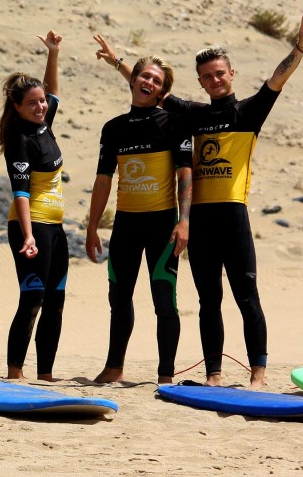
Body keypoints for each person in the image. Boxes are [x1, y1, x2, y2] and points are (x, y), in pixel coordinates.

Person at [96, 12, 303, 386]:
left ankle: (258, 373)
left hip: (233, 217)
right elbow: (151, 91)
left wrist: (299, 47)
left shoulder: (247, 112)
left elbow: (277, 80)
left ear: (231, 74)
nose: (214, 80)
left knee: (247, 296)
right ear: (200, 81)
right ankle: (213, 373)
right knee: (208, 300)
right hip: (198, 221)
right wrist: (119, 62)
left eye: (220, 73)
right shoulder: (193, 115)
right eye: (207, 76)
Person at [86, 45, 192, 384]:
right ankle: (114, 367)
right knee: (119, 298)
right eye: (144, 75)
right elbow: (103, 180)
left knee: (164, 301)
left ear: (162, 90)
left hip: (162, 225)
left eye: (157, 80)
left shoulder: (174, 124)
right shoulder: (113, 128)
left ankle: (165, 375)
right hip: (126, 226)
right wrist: (91, 227)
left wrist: (184, 220)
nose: (149, 82)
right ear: (134, 79)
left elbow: (185, 176)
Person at [0, 30, 67, 381]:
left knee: (55, 300)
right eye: (33, 103)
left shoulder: (43, 123)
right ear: (17, 107)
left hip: (55, 227)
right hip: (30, 226)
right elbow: (20, 193)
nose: (41, 106)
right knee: (33, 299)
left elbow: (52, 91)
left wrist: (52, 53)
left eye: (42, 102)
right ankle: (14, 372)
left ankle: (46, 373)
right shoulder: (19, 141)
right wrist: (28, 235)